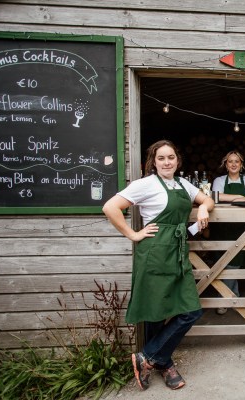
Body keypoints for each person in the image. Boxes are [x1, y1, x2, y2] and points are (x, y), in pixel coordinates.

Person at [102, 139, 214, 391]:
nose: (167, 162)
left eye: (171, 157)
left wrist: (205, 208)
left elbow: (207, 200)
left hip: (176, 252)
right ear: (153, 161)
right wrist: (133, 234)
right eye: (161, 158)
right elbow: (110, 207)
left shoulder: (183, 184)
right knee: (155, 312)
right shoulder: (145, 184)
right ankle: (163, 363)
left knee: (190, 311)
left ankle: (148, 357)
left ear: (178, 160)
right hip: (153, 253)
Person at [211, 150, 245, 314]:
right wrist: (239, 196)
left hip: (241, 227)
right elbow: (216, 196)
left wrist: (240, 199)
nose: (233, 164)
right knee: (222, 264)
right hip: (222, 227)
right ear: (225, 165)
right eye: (230, 161)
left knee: (234, 263)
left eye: (237, 162)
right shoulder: (219, 180)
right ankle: (232, 296)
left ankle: (225, 299)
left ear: (241, 165)